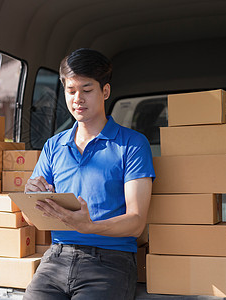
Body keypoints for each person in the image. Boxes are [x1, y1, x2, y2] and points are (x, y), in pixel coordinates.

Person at [23, 48, 155, 300]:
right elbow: (34, 220)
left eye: (86, 90)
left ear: (105, 91)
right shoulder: (53, 146)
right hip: (56, 257)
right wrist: (32, 200)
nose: (77, 99)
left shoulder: (133, 144)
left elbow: (136, 222)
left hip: (110, 261)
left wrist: (89, 226)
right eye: (71, 91)